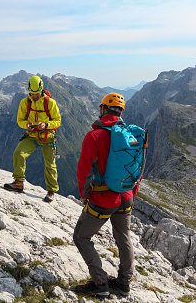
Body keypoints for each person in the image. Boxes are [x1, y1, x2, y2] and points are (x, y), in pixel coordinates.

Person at [73, 93, 134, 297]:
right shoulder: (130, 135)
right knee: (123, 237)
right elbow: (136, 168)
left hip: (103, 199)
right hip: (126, 196)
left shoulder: (94, 136)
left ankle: (100, 283)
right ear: (120, 112)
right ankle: (124, 283)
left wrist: (84, 194)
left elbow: (84, 170)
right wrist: (131, 191)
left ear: (103, 109)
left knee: (81, 236)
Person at [3, 75, 61, 202]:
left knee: (50, 164)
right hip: (32, 136)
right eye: (32, 93)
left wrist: (46, 125)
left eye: (37, 93)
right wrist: (26, 125)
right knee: (19, 153)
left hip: (47, 136)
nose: (35, 95)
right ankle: (18, 182)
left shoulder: (50, 103)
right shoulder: (24, 103)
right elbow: (20, 120)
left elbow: (58, 121)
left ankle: (51, 191)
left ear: (42, 89)